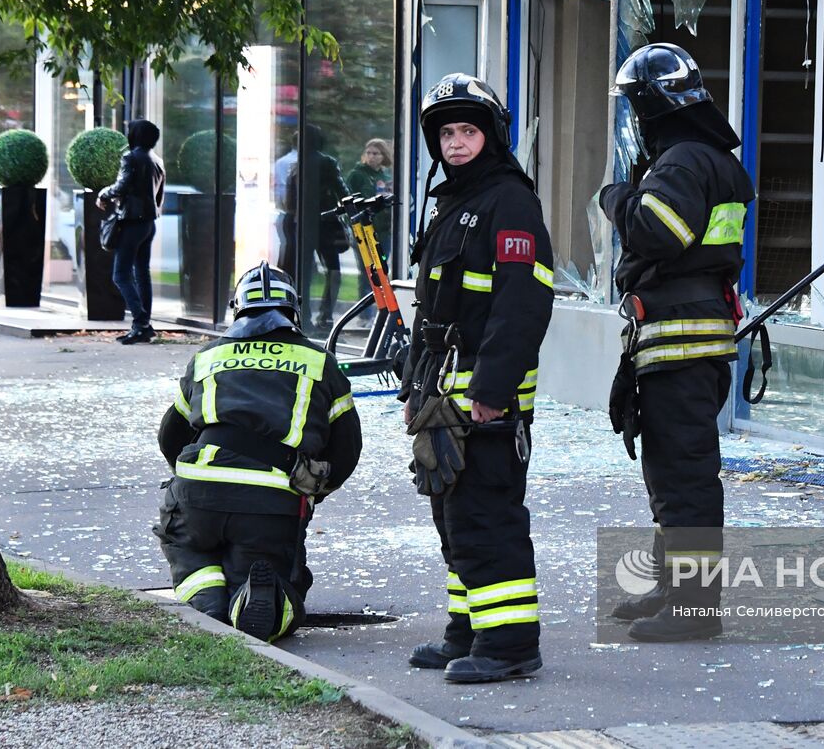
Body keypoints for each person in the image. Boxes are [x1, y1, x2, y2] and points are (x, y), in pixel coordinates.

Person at [397, 73, 554, 684]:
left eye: (468, 131)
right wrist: (414, 390)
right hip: (441, 393)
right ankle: (469, 630)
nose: (456, 143)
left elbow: (522, 305)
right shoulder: (454, 205)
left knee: (488, 515)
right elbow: (430, 313)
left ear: (491, 136)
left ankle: (510, 646)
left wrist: (491, 392)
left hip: (485, 400)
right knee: (453, 517)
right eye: (446, 133)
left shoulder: (509, 202)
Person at [599, 43, 755, 643]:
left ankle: (695, 606)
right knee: (670, 471)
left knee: (685, 477)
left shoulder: (684, 161)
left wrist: (617, 197)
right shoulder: (704, 156)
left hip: (680, 342)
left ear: (650, 106)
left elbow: (658, 232)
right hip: (686, 340)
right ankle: (674, 585)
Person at [154, 262, 361, 642]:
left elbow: (171, 435)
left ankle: (208, 607)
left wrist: (191, 485)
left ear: (238, 310)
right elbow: (346, 450)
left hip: (200, 490)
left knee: (186, 544)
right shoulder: (320, 362)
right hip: (271, 502)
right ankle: (258, 601)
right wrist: (315, 489)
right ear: (294, 309)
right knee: (273, 581)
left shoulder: (208, 357)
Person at [97, 118, 166, 345]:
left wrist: (103, 194)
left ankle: (141, 322)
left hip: (131, 222)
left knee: (121, 274)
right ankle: (144, 325)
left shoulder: (131, 157)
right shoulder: (156, 160)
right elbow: (158, 195)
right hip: (148, 222)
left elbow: (122, 185)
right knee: (141, 273)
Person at [282, 124, 349, 332]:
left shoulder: (296, 166)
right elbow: (342, 190)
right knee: (334, 270)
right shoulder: (326, 162)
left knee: (304, 273)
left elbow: (289, 201)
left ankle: (304, 316)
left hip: (301, 224)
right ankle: (325, 316)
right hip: (326, 224)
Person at [346, 138, 395, 296]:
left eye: (376, 153)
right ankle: (365, 316)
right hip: (364, 230)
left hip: (384, 230)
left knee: (382, 270)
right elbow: (347, 201)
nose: (372, 156)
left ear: (383, 156)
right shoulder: (357, 175)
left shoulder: (386, 175)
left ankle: (379, 309)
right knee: (368, 272)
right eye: (369, 153)